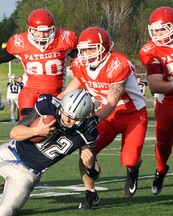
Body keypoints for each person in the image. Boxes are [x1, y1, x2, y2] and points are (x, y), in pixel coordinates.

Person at [0, 89, 99, 216]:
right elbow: (14, 132)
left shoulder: (86, 134)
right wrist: (36, 130)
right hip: (9, 153)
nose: (66, 120)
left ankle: (0, 203)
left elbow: (95, 173)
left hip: (27, 174)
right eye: (65, 114)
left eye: (73, 118)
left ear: (83, 119)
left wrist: (90, 166)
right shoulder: (48, 107)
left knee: (5, 211)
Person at [58, 27, 148, 209]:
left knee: (129, 159)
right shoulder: (80, 64)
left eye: (92, 48)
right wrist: (54, 101)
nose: (86, 53)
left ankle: (133, 170)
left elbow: (113, 101)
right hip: (108, 116)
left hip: (132, 114)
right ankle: (91, 193)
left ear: (104, 47)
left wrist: (95, 119)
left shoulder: (118, 64)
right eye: (84, 49)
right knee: (85, 152)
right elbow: (73, 87)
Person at [139, 6, 173, 204]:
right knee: (163, 146)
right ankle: (161, 170)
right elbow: (154, 85)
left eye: (163, 29)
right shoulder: (150, 50)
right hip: (168, 101)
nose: (158, 34)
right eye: (155, 29)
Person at [0, 8, 78, 120]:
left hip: (58, 93)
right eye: (38, 31)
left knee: (55, 127)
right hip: (31, 92)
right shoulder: (20, 43)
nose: (42, 36)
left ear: (53, 29)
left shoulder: (64, 39)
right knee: (27, 125)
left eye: (46, 31)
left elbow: (81, 60)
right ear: (30, 29)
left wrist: (77, 67)